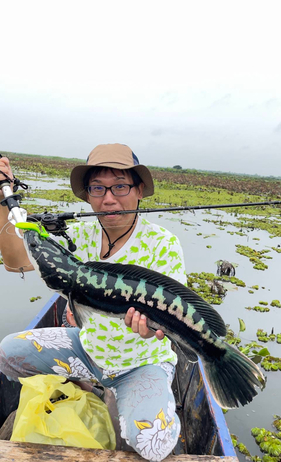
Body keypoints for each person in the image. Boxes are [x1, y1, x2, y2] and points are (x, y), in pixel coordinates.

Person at [0, 144, 187, 461]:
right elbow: (17, 260)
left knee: (152, 444)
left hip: (141, 361)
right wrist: (3, 199)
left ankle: (131, 394)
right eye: (98, 188)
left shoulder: (163, 244)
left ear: (139, 190)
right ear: (87, 195)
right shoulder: (78, 233)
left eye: (120, 186)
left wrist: (152, 328)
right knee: (7, 353)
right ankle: (91, 385)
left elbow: (174, 317)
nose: (109, 198)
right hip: (86, 348)